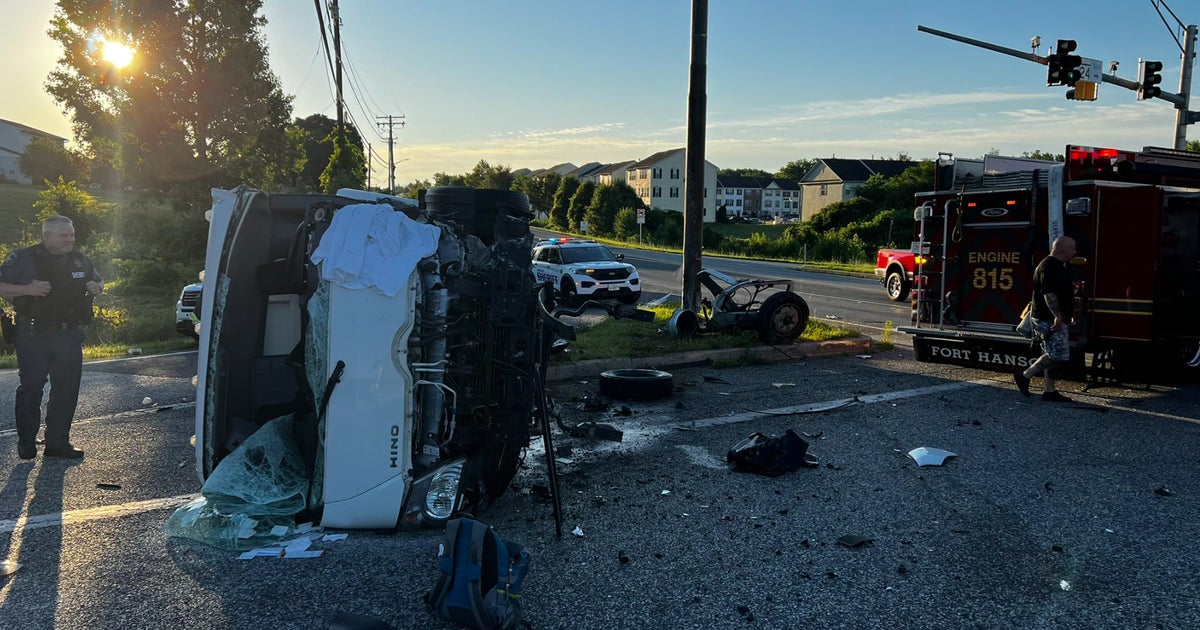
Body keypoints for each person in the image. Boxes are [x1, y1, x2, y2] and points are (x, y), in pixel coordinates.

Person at [0, 216, 103, 460]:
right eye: (63, 235)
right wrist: (27, 289)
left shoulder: (79, 259)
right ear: (47, 236)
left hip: (68, 334)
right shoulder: (24, 258)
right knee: (32, 388)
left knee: (66, 389)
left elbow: (98, 280)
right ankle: (26, 442)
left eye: (72, 234)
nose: (70, 239)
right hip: (33, 334)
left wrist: (97, 287)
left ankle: (58, 443)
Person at [1014, 236, 1077, 402]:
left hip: (1050, 317)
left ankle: (1049, 391)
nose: (1075, 252)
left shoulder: (1054, 265)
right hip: (1048, 318)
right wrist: (1058, 316)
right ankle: (1024, 376)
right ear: (1062, 249)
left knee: (1049, 352)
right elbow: (1049, 295)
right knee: (1056, 354)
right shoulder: (1049, 267)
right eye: (1072, 248)